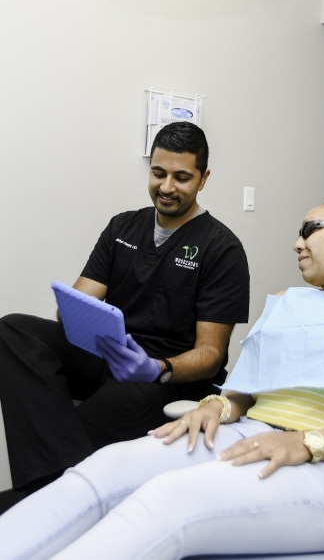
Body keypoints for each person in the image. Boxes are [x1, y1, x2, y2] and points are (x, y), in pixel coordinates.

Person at [0, 198, 324, 559]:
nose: (296, 243)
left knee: (167, 500)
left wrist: (306, 442)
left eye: (309, 229)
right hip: (248, 434)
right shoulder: (287, 302)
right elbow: (243, 393)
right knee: (102, 468)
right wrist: (215, 407)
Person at [0, 121, 250, 496]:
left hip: (163, 375)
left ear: (203, 179)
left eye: (181, 177)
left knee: (100, 411)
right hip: (109, 355)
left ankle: (45, 495)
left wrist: (157, 369)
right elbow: (80, 300)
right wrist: (75, 317)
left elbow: (211, 355)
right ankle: (60, 487)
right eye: (158, 173)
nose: (166, 187)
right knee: (14, 329)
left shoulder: (222, 249)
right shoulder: (122, 227)